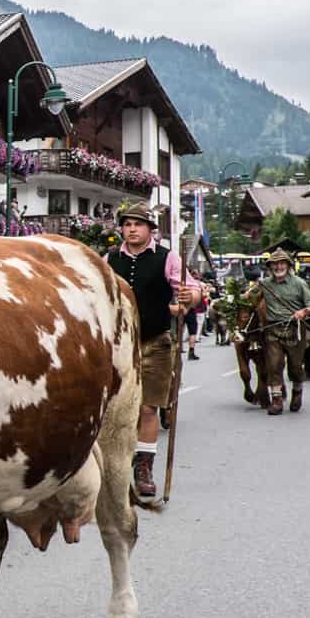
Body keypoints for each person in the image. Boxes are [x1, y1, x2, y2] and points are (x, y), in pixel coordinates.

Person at [105, 203, 201, 504]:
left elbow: (193, 290)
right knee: (115, 410)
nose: (132, 229)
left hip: (155, 344)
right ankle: (112, 468)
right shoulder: (109, 259)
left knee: (148, 409)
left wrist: (190, 295)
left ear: (150, 229)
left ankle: (143, 469)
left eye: (139, 224)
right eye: (127, 224)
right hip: (118, 345)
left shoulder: (168, 258)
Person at [254, 248, 310, 415]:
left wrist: (303, 312)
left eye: (282, 263)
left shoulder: (299, 283)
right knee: (274, 364)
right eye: (274, 264)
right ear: (270, 267)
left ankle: (297, 391)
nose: (278, 267)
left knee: (295, 366)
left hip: (295, 329)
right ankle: (276, 400)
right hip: (272, 328)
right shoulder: (265, 284)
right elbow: (248, 299)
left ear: (288, 265)